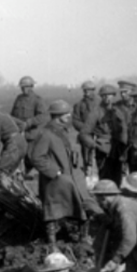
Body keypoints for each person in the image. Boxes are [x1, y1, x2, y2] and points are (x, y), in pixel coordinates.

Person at [29, 100, 100, 246]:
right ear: (57, 115)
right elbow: (36, 157)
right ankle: (52, 243)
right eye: (65, 113)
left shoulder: (69, 132)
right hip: (56, 180)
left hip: (75, 177)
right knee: (53, 212)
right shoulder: (46, 133)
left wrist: (84, 168)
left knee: (84, 206)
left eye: (69, 113)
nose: (69, 115)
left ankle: (83, 239)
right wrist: (56, 172)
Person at [79, 84, 123, 184]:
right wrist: (95, 145)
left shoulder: (119, 110)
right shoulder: (96, 112)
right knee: (105, 178)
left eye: (109, 95)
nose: (107, 97)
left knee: (118, 178)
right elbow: (84, 133)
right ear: (101, 97)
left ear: (114, 95)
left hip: (119, 149)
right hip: (104, 150)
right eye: (104, 95)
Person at [0, 108, 27, 183]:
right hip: (21, 142)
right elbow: (22, 124)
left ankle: (7, 192)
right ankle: (15, 190)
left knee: (0, 171)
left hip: (13, 145)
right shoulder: (5, 116)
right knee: (9, 172)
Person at [10, 76, 49, 144]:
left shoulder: (37, 100)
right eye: (22, 87)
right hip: (18, 133)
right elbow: (12, 114)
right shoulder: (19, 99)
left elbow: (43, 116)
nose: (23, 89)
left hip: (31, 135)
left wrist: (29, 123)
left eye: (25, 87)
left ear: (31, 86)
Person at [72, 81, 100, 170]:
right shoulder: (79, 105)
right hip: (86, 134)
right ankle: (87, 169)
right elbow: (75, 120)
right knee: (86, 157)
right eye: (85, 90)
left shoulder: (100, 103)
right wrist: (86, 129)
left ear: (93, 90)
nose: (87, 92)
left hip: (100, 133)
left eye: (89, 90)